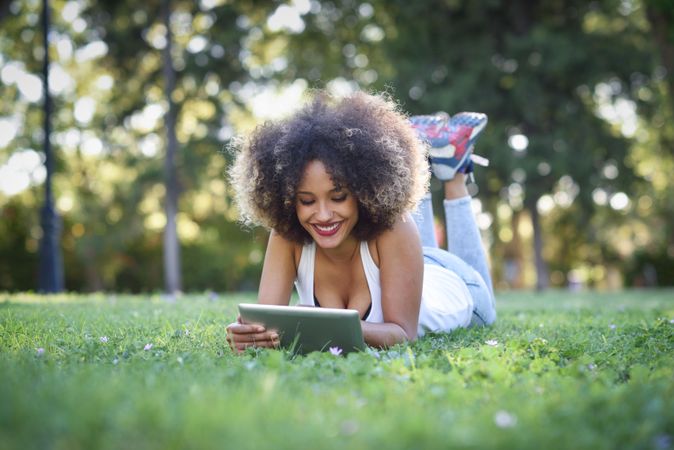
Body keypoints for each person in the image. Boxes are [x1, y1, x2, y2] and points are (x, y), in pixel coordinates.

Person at [226, 91, 496, 353]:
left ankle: (455, 171)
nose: (322, 215)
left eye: (338, 197)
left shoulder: (395, 227)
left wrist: (320, 323)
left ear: (363, 190)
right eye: (307, 201)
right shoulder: (287, 235)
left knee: (413, 209)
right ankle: (427, 145)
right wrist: (250, 335)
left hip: (460, 288)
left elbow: (403, 334)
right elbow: (268, 327)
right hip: (409, 264)